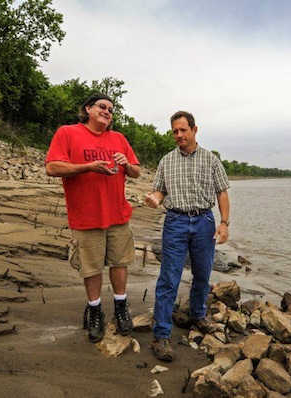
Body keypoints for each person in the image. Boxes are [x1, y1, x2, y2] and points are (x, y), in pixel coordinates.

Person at [45, 93, 141, 343]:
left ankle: (121, 306)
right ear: (87, 109)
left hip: (118, 215)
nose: (107, 112)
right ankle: (95, 309)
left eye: (111, 109)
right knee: (91, 267)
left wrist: (126, 166)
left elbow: (137, 171)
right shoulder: (68, 133)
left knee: (120, 262)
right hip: (86, 216)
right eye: (102, 107)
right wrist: (88, 167)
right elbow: (52, 167)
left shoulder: (119, 138)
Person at [145, 110, 230, 361]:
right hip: (175, 221)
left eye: (183, 130)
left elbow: (222, 193)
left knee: (203, 273)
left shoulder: (211, 159)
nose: (179, 135)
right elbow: (159, 191)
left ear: (195, 130)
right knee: (169, 278)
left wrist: (224, 223)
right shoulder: (166, 161)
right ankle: (161, 334)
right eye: (175, 131)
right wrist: (154, 198)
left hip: (204, 221)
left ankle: (197, 315)